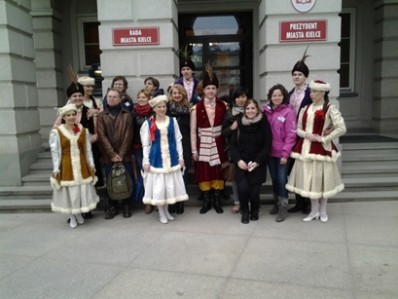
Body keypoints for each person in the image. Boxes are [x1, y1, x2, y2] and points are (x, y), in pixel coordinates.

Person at [286, 80, 346, 222]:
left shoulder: (330, 109)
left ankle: (323, 211)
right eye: (311, 91)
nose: (311, 94)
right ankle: (314, 211)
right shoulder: (304, 109)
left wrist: (325, 138)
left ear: (322, 93)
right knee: (309, 180)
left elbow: (341, 128)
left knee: (322, 180)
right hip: (305, 149)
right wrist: (307, 135)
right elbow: (298, 129)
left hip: (322, 150)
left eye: (314, 91)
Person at [49, 103, 99, 229]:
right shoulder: (57, 132)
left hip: (81, 164)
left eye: (73, 114)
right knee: (70, 192)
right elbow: (55, 152)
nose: (71, 117)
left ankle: (78, 213)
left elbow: (87, 150)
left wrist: (91, 164)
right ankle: (72, 215)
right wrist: (56, 168)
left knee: (81, 191)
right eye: (68, 115)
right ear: (63, 117)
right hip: (66, 165)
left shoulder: (83, 130)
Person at [140, 95, 189, 224]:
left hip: (172, 157)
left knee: (169, 187)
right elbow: (145, 144)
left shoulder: (173, 121)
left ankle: (166, 210)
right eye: (159, 107)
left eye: (163, 106)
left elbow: (178, 140)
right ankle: (161, 212)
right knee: (159, 188)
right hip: (156, 158)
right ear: (154, 108)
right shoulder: (148, 123)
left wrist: (181, 158)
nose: (162, 109)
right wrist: (146, 161)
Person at [190, 64, 227, 214]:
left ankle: (217, 201)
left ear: (217, 90)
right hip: (202, 143)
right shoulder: (195, 108)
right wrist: (194, 150)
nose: (210, 91)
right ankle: (206, 201)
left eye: (213, 88)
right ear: (203, 90)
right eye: (208, 88)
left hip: (218, 142)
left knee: (218, 172)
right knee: (204, 173)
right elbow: (193, 131)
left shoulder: (223, 106)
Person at [228, 99, 272, 224]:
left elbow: (267, 146)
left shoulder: (264, 124)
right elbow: (233, 145)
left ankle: (254, 210)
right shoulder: (239, 124)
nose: (250, 111)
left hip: (258, 163)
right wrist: (238, 160)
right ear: (244, 110)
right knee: (243, 189)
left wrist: (257, 162)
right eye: (248, 108)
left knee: (254, 192)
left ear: (257, 110)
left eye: (253, 108)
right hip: (242, 162)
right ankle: (245, 211)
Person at [97, 88, 134, 219]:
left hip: (125, 155)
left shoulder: (127, 114)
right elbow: (102, 136)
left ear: (120, 99)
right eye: (109, 97)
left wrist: (121, 154)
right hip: (108, 157)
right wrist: (112, 154)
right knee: (111, 182)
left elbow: (128, 135)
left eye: (114, 97)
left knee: (126, 181)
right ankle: (112, 207)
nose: (111, 98)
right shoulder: (101, 116)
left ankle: (127, 206)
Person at [263, 84, 297, 222]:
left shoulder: (288, 112)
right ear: (270, 97)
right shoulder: (266, 111)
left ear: (284, 96)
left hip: (282, 153)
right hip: (269, 153)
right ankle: (276, 203)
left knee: (282, 179)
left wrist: (285, 154)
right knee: (275, 179)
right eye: (274, 95)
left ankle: (283, 207)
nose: (276, 98)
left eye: (279, 95)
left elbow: (291, 135)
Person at [287, 48, 313, 215]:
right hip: (292, 138)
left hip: (306, 138)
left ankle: (309, 202)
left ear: (305, 77)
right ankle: (299, 202)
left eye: (300, 74)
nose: (297, 77)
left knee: (306, 171)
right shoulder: (289, 94)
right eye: (295, 74)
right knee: (293, 171)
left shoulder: (311, 93)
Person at [222, 87, 249, 214]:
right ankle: (237, 202)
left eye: (243, 96)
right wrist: (231, 128)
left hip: (250, 149)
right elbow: (223, 133)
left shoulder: (251, 110)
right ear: (234, 99)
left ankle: (249, 201)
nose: (241, 99)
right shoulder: (228, 113)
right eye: (238, 97)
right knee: (235, 178)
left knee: (250, 176)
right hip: (234, 149)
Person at [167, 84, 192, 214]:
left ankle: (181, 201)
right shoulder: (166, 109)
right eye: (174, 93)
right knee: (170, 175)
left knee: (183, 175)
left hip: (185, 145)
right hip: (169, 145)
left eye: (179, 93)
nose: (177, 95)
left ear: (183, 94)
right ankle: (172, 202)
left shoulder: (189, 110)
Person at [131, 89, 154, 214]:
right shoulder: (133, 114)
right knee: (145, 175)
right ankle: (147, 202)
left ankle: (155, 198)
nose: (141, 99)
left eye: (144, 97)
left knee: (154, 175)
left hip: (153, 148)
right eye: (139, 97)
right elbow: (130, 132)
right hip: (138, 149)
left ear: (149, 98)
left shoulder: (153, 112)